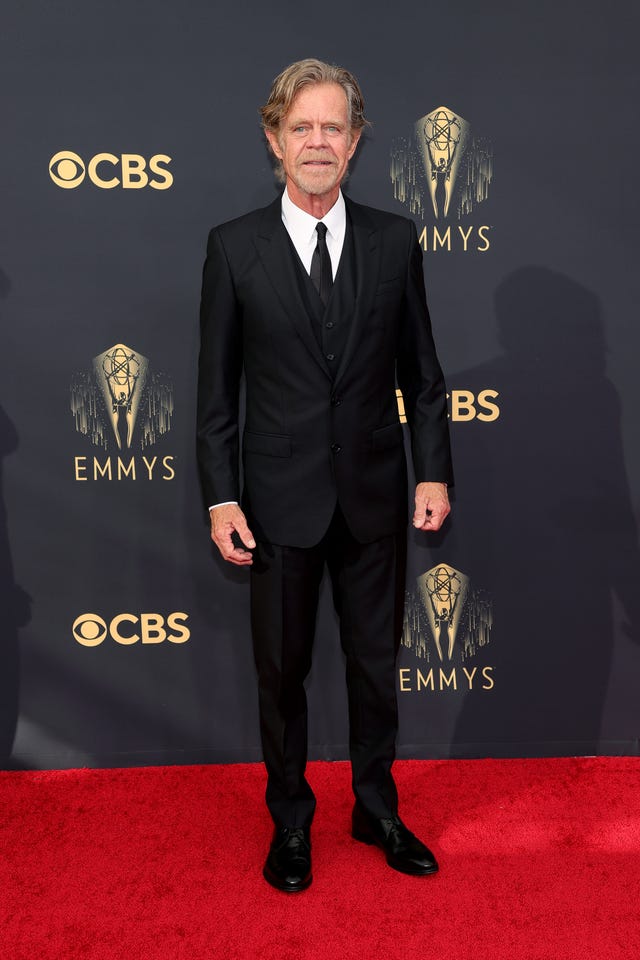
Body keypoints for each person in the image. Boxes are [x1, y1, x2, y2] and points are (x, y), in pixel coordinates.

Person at [197, 58, 453, 892]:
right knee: (283, 673)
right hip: (277, 504)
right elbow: (216, 393)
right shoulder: (233, 247)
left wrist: (432, 472)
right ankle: (291, 820)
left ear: (355, 141)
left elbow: (423, 375)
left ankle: (376, 808)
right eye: (300, 127)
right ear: (274, 140)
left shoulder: (395, 240)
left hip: (375, 493)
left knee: (376, 667)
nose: (317, 142)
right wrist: (221, 496)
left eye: (332, 127)